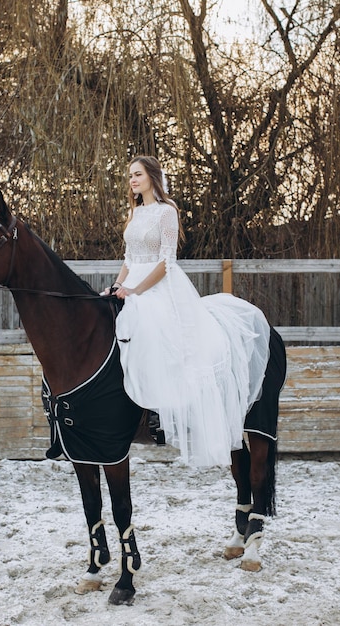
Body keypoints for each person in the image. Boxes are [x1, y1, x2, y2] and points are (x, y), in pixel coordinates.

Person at [104, 155, 270, 467]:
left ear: (152, 176)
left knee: (157, 333)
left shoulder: (167, 212)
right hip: (132, 282)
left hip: (159, 286)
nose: (132, 181)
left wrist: (138, 291)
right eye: (129, 176)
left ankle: (158, 410)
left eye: (137, 175)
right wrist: (117, 286)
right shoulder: (135, 212)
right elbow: (129, 258)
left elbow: (166, 262)